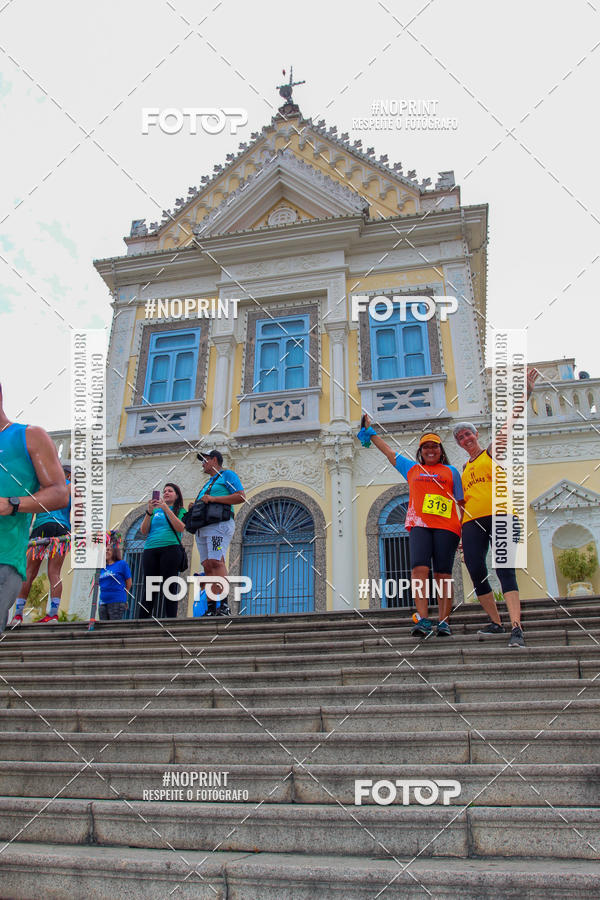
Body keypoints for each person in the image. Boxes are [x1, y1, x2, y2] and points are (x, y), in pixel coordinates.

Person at [453, 368, 539, 648]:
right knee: (476, 568)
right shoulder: (463, 469)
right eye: (461, 438)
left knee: (505, 571)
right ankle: (495, 622)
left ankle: (516, 627)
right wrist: (461, 539)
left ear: (476, 435)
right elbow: (461, 503)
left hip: (502, 516)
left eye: (468, 434)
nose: (466, 438)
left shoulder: (491, 452)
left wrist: (525, 392)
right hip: (472, 522)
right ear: (459, 444)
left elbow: (509, 424)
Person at [357, 415, 463, 637]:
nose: (430, 450)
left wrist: (463, 533)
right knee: (418, 570)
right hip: (419, 525)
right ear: (421, 451)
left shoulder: (451, 472)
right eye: (426, 447)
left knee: (443, 574)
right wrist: (371, 431)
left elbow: (461, 503)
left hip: (447, 527)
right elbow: (388, 452)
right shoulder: (412, 469)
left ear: (441, 450)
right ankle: (423, 619)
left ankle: (444, 622)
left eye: (434, 446)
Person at [0, 383, 69, 634]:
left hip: (13, 552)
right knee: (33, 570)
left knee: (52, 570)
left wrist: (13, 503)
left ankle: (49, 613)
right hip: (36, 532)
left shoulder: (29, 437)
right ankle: (18, 613)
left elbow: (62, 496)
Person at [11, 464, 71, 625]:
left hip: (41, 526)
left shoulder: (41, 486)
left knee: (29, 572)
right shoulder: (70, 487)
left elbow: (29, 512)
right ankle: (53, 614)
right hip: (62, 528)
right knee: (55, 573)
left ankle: (17, 615)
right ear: (68, 475)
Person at [193, 450, 245, 617]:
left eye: (205, 460)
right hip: (203, 527)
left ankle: (223, 605)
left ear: (214, 460)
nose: (202, 463)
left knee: (216, 562)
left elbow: (241, 496)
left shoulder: (227, 475)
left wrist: (214, 499)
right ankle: (210, 606)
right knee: (207, 565)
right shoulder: (207, 483)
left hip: (218, 526)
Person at [139, 482, 186, 619]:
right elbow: (143, 531)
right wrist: (149, 511)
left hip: (171, 549)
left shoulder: (180, 510)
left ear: (177, 496)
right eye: (164, 491)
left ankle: (170, 619)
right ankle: (143, 620)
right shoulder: (154, 511)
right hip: (150, 549)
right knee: (149, 586)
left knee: (169, 585)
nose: (166, 493)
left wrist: (167, 509)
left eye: (170, 491)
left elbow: (181, 527)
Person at [98, 539, 132, 621]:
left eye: (109, 550)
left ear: (114, 552)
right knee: (103, 630)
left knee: (112, 628)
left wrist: (124, 597)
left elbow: (129, 583)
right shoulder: (101, 568)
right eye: (105, 550)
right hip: (102, 602)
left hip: (117, 601)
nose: (106, 552)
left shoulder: (121, 564)